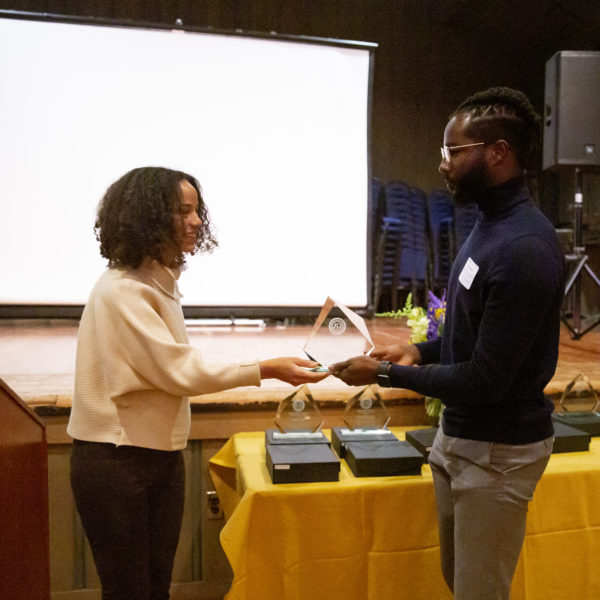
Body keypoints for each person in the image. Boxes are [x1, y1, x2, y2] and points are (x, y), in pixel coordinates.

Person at [330, 87, 566, 599]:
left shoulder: (525, 247)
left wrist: (387, 373)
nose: (442, 165)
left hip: (498, 453)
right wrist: (420, 351)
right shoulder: (490, 225)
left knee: (479, 593)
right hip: (459, 441)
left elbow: (484, 379)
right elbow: (468, 331)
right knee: (460, 584)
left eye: (452, 152)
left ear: (498, 152)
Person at [67, 166, 328, 600]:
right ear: (148, 218)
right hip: (116, 462)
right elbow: (180, 371)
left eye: (197, 211)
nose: (197, 221)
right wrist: (265, 368)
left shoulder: (156, 281)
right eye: (183, 212)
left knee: (154, 589)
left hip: (156, 457)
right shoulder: (123, 290)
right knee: (130, 591)